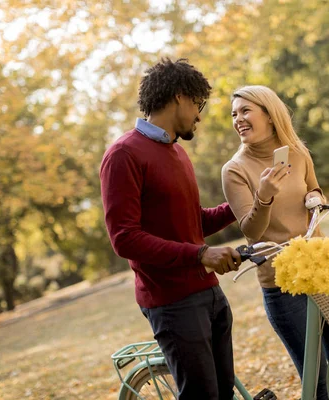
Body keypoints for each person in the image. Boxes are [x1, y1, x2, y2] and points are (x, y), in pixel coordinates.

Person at [100, 58, 241, 400]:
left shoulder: (177, 152)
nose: (199, 115)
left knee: (223, 393)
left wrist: (246, 203)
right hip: (172, 302)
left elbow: (193, 224)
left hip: (209, 294)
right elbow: (125, 238)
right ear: (179, 97)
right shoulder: (123, 154)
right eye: (198, 104)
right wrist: (201, 254)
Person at [221, 85, 329, 399]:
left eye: (245, 111)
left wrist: (314, 197)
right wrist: (265, 195)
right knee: (320, 383)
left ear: (270, 116)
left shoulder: (297, 152)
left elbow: (315, 189)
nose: (238, 119)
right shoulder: (234, 170)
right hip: (282, 284)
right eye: (234, 114)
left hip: (322, 269)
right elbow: (252, 230)